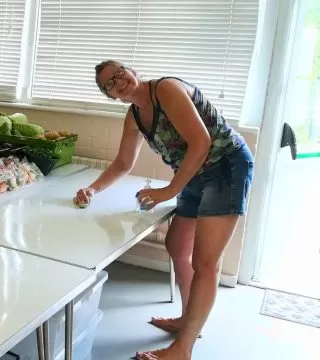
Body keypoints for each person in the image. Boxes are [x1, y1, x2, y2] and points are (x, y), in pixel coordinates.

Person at [74, 60, 254, 360]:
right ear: (111, 96)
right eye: (109, 84)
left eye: (120, 73)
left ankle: (182, 350)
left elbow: (201, 141)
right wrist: (93, 189)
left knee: (206, 262)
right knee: (177, 245)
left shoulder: (166, 89)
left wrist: (169, 190)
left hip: (226, 166)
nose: (118, 82)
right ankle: (188, 321)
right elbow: (123, 163)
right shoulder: (134, 117)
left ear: (133, 71)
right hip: (194, 172)